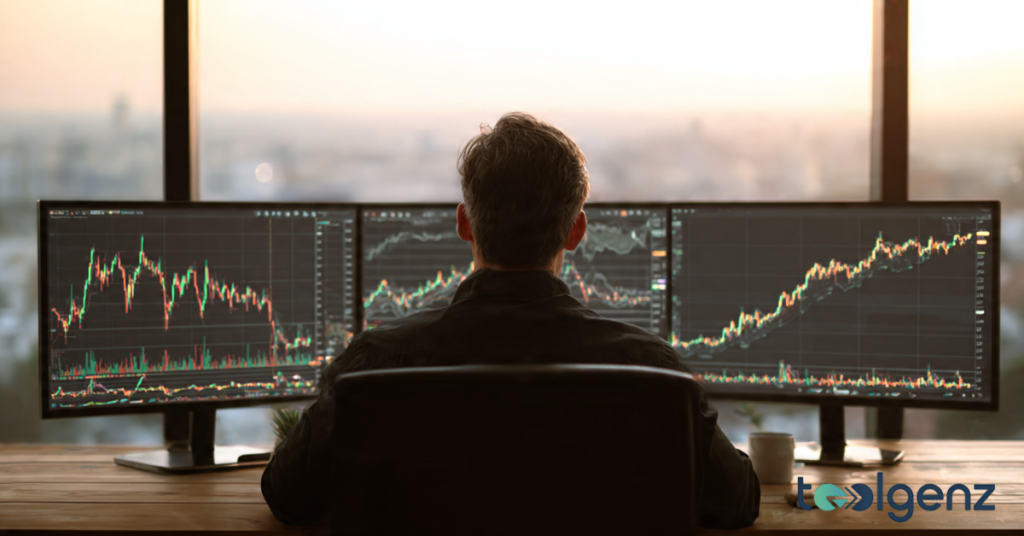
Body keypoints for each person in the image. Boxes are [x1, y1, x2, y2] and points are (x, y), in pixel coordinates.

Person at [262, 112, 760, 529]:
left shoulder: (374, 364)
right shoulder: (652, 371)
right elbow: (737, 502)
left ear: (465, 223)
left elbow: (289, 495)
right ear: (576, 232)